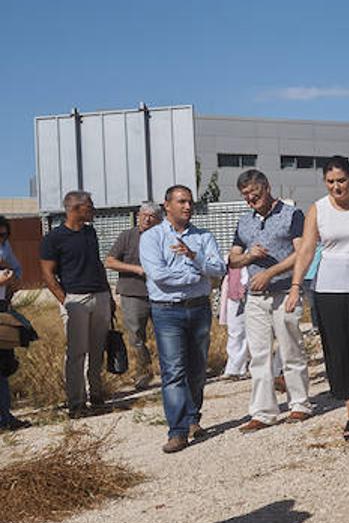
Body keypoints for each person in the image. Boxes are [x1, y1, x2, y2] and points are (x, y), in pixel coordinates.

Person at [288, 156, 349, 441]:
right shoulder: (317, 209)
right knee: (337, 348)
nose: (336, 187)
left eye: (341, 181)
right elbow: (306, 249)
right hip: (329, 287)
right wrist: (296, 285)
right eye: (330, 182)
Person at [141, 185, 226, 453]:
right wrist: (196, 275)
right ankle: (177, 431)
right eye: (181, 202)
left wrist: (193, 256)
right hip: (167, 311)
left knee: (197, 368)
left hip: (199, 308)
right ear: (167, 205)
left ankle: (193, 418)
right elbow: (159, 275)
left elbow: (219, 268)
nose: (187, 207)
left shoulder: (202, 237)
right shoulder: (152, 238)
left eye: (190, 202)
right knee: (174, 371)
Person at [229, 170, 313, 431]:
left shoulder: (292, 215)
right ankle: (263, 411)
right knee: (259, 355)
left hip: (285, 291)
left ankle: (299, 403)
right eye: (246, 196)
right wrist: (249, 258)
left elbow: (300, 252)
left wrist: (270, 272)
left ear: (266, 188)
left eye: (254, 194)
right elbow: (233, 259)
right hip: (255, 298)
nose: (251, 200)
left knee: (291, 349)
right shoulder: (244, 222)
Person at [39, 190, 112, 415]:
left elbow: (97, 265)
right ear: (75, 208)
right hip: (75, 300)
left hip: (100, 297)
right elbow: (48, 274)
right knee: (77, 352)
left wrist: (108, 295)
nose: (93, 210)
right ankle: (76, 402)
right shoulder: (53, 238)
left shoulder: (90, 233)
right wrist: (66, 301)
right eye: (89, 206)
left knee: (97, 350)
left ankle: (96, 395)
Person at [105, 202, 162, 390]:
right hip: (133, 293)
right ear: (138, 216)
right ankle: (143, 373)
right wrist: (136, 269)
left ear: (158, 219)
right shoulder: (127, 236)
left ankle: (168, 369)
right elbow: (110, 261)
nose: (146, 218)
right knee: (136, 336)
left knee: (166, 333)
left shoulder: (163, 235)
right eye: (143, 214)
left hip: (161, 293)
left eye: (151, 216)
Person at [0, 216, 31, 430]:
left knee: (3, 365)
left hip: (2, 307)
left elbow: (17, 272)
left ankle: (5, 417)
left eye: (4, 236)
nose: (2, 240)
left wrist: (11, 281)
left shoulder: (5, 248)